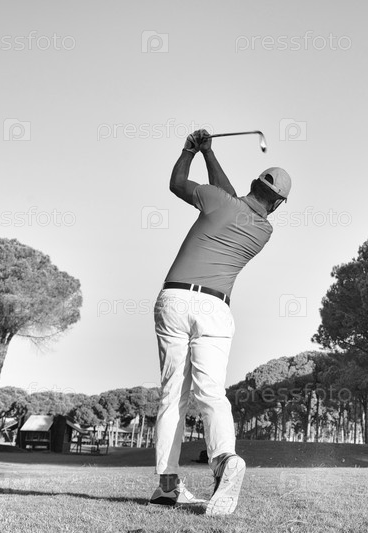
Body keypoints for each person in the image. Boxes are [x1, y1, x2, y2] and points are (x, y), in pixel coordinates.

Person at [148, 129, 291, 515]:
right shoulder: (264, 231)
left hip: (174, 299)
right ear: (278, 204)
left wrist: (191, 150)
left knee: (172, 396)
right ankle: (225, 459)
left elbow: (178, 183)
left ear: (253, 184)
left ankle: (167, 485)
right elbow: (233, 200)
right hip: (214, 307)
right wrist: (210, 154)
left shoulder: (217, 201)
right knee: (210, 392)